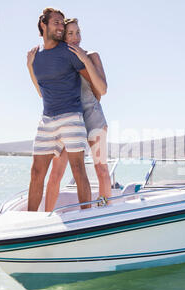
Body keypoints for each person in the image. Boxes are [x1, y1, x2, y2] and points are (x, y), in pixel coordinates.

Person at [27, 18, 112, 212]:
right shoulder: (63, 56)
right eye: (70, 34)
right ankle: (47, 215)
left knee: (101, 168)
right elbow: (43, 89)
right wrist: (31, 66)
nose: (75, 38)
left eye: (78, 33)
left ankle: (105, 210)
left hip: (91, 115)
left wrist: (83, 57)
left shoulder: (92, 55)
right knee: (56, 172)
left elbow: (100, 90)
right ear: (63, 37)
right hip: (69, 117)